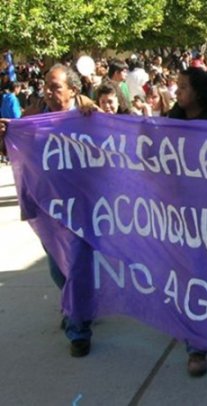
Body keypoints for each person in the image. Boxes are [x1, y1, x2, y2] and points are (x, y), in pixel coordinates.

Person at [0, 64, 96, 358]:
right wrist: (5, 134)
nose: (49, 91)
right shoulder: (33, 117)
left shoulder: (89, 117)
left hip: (81, 205)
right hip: (47, 207)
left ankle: (78, 330)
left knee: (78, 264)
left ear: (73, 90)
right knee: (59, 269)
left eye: (56, 86)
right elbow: (13, 152)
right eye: (46, 86)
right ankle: (78, 306)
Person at [167, 67, 207, 377]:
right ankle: (197, 345)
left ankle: (200, 336)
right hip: (178, 213)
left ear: (199, 92)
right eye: (176, 86)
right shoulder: (172, 120)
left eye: (182, 87)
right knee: (191, 274)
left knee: (205, 274)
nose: (176, 92)